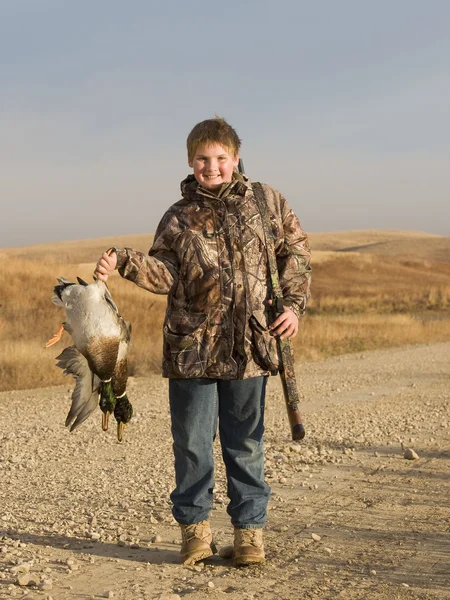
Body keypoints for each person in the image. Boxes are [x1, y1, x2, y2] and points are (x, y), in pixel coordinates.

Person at [95, 117, 311, 567]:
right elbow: (166, 275)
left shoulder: (267, 202)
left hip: (251, 348)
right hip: (191, 350)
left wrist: (292, 306)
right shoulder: (177, 217)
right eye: (201, 159)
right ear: (190, 162)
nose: (211, 167)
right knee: (192, 443)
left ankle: (249, 535)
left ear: (235, 158)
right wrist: (126, 261)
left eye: (219, 158)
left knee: (245, 444)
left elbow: (296, 254)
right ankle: (195, 532)